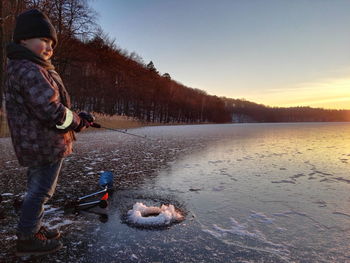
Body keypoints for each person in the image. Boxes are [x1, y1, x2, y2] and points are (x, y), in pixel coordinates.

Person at [4, 9, 92, 256]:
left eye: (52, 44)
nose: (48, 47)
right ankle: (28, 237)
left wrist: (77, 117)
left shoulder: (31, 66)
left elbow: (51, 104)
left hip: (40, 143)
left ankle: (35, 228)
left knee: (38, 189)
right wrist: (76, 121)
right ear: (23, 39)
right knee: (41, 192)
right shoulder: (28, 69)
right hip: (43, 144)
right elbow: (51, 110)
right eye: (43, 40)